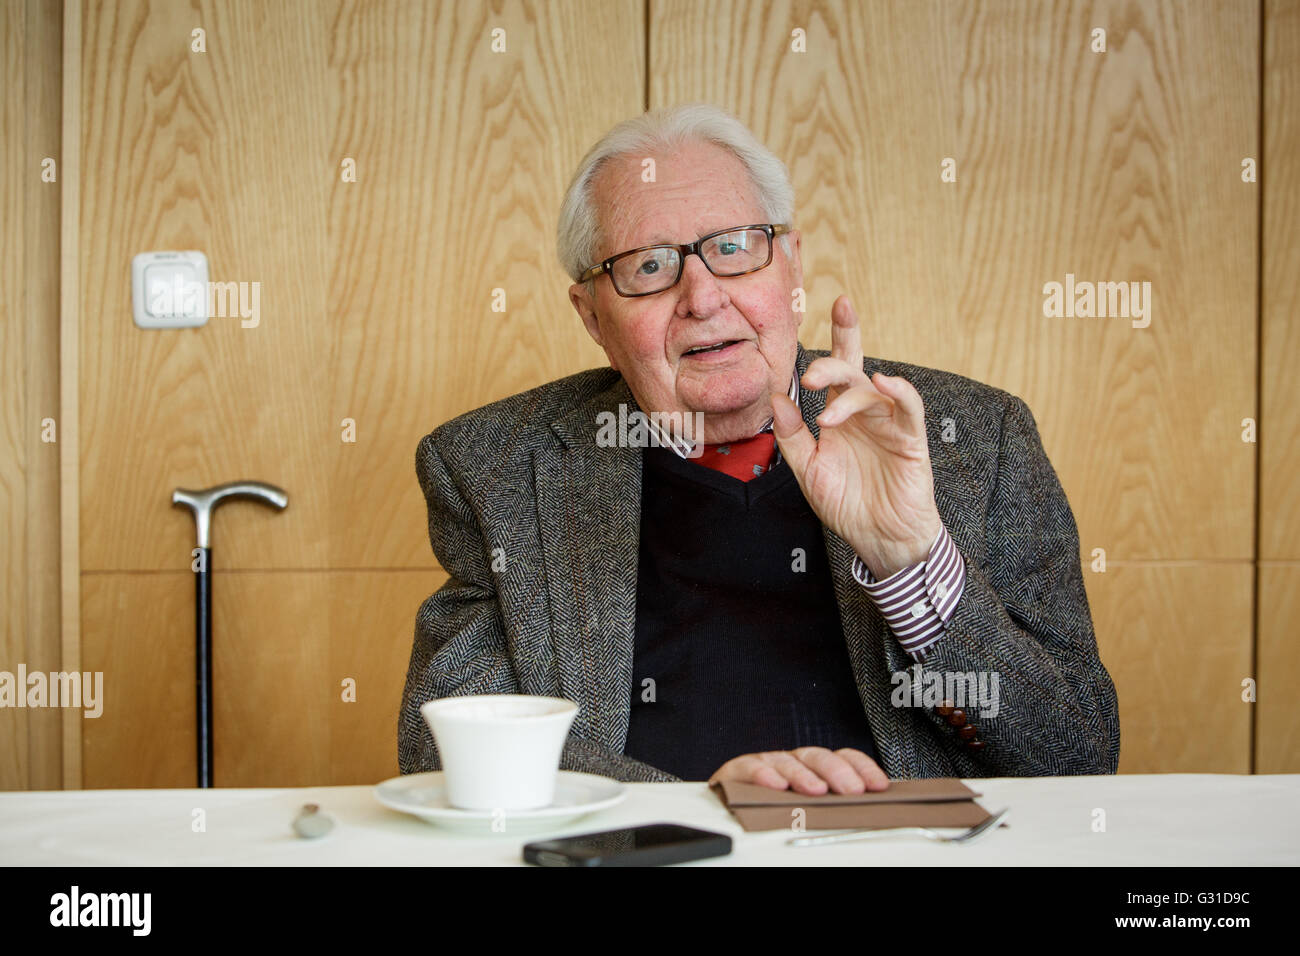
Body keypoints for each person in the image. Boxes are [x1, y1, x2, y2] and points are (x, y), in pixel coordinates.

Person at [399, 103, 1119, 795]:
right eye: (649, 267)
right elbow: (447, 749)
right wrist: (693, 802)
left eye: (734, 248)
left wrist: (914, 562)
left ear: (791, 266)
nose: (703, 297)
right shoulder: (494, 466)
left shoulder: (974, 436)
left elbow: (1079, 757)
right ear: (592, 316)